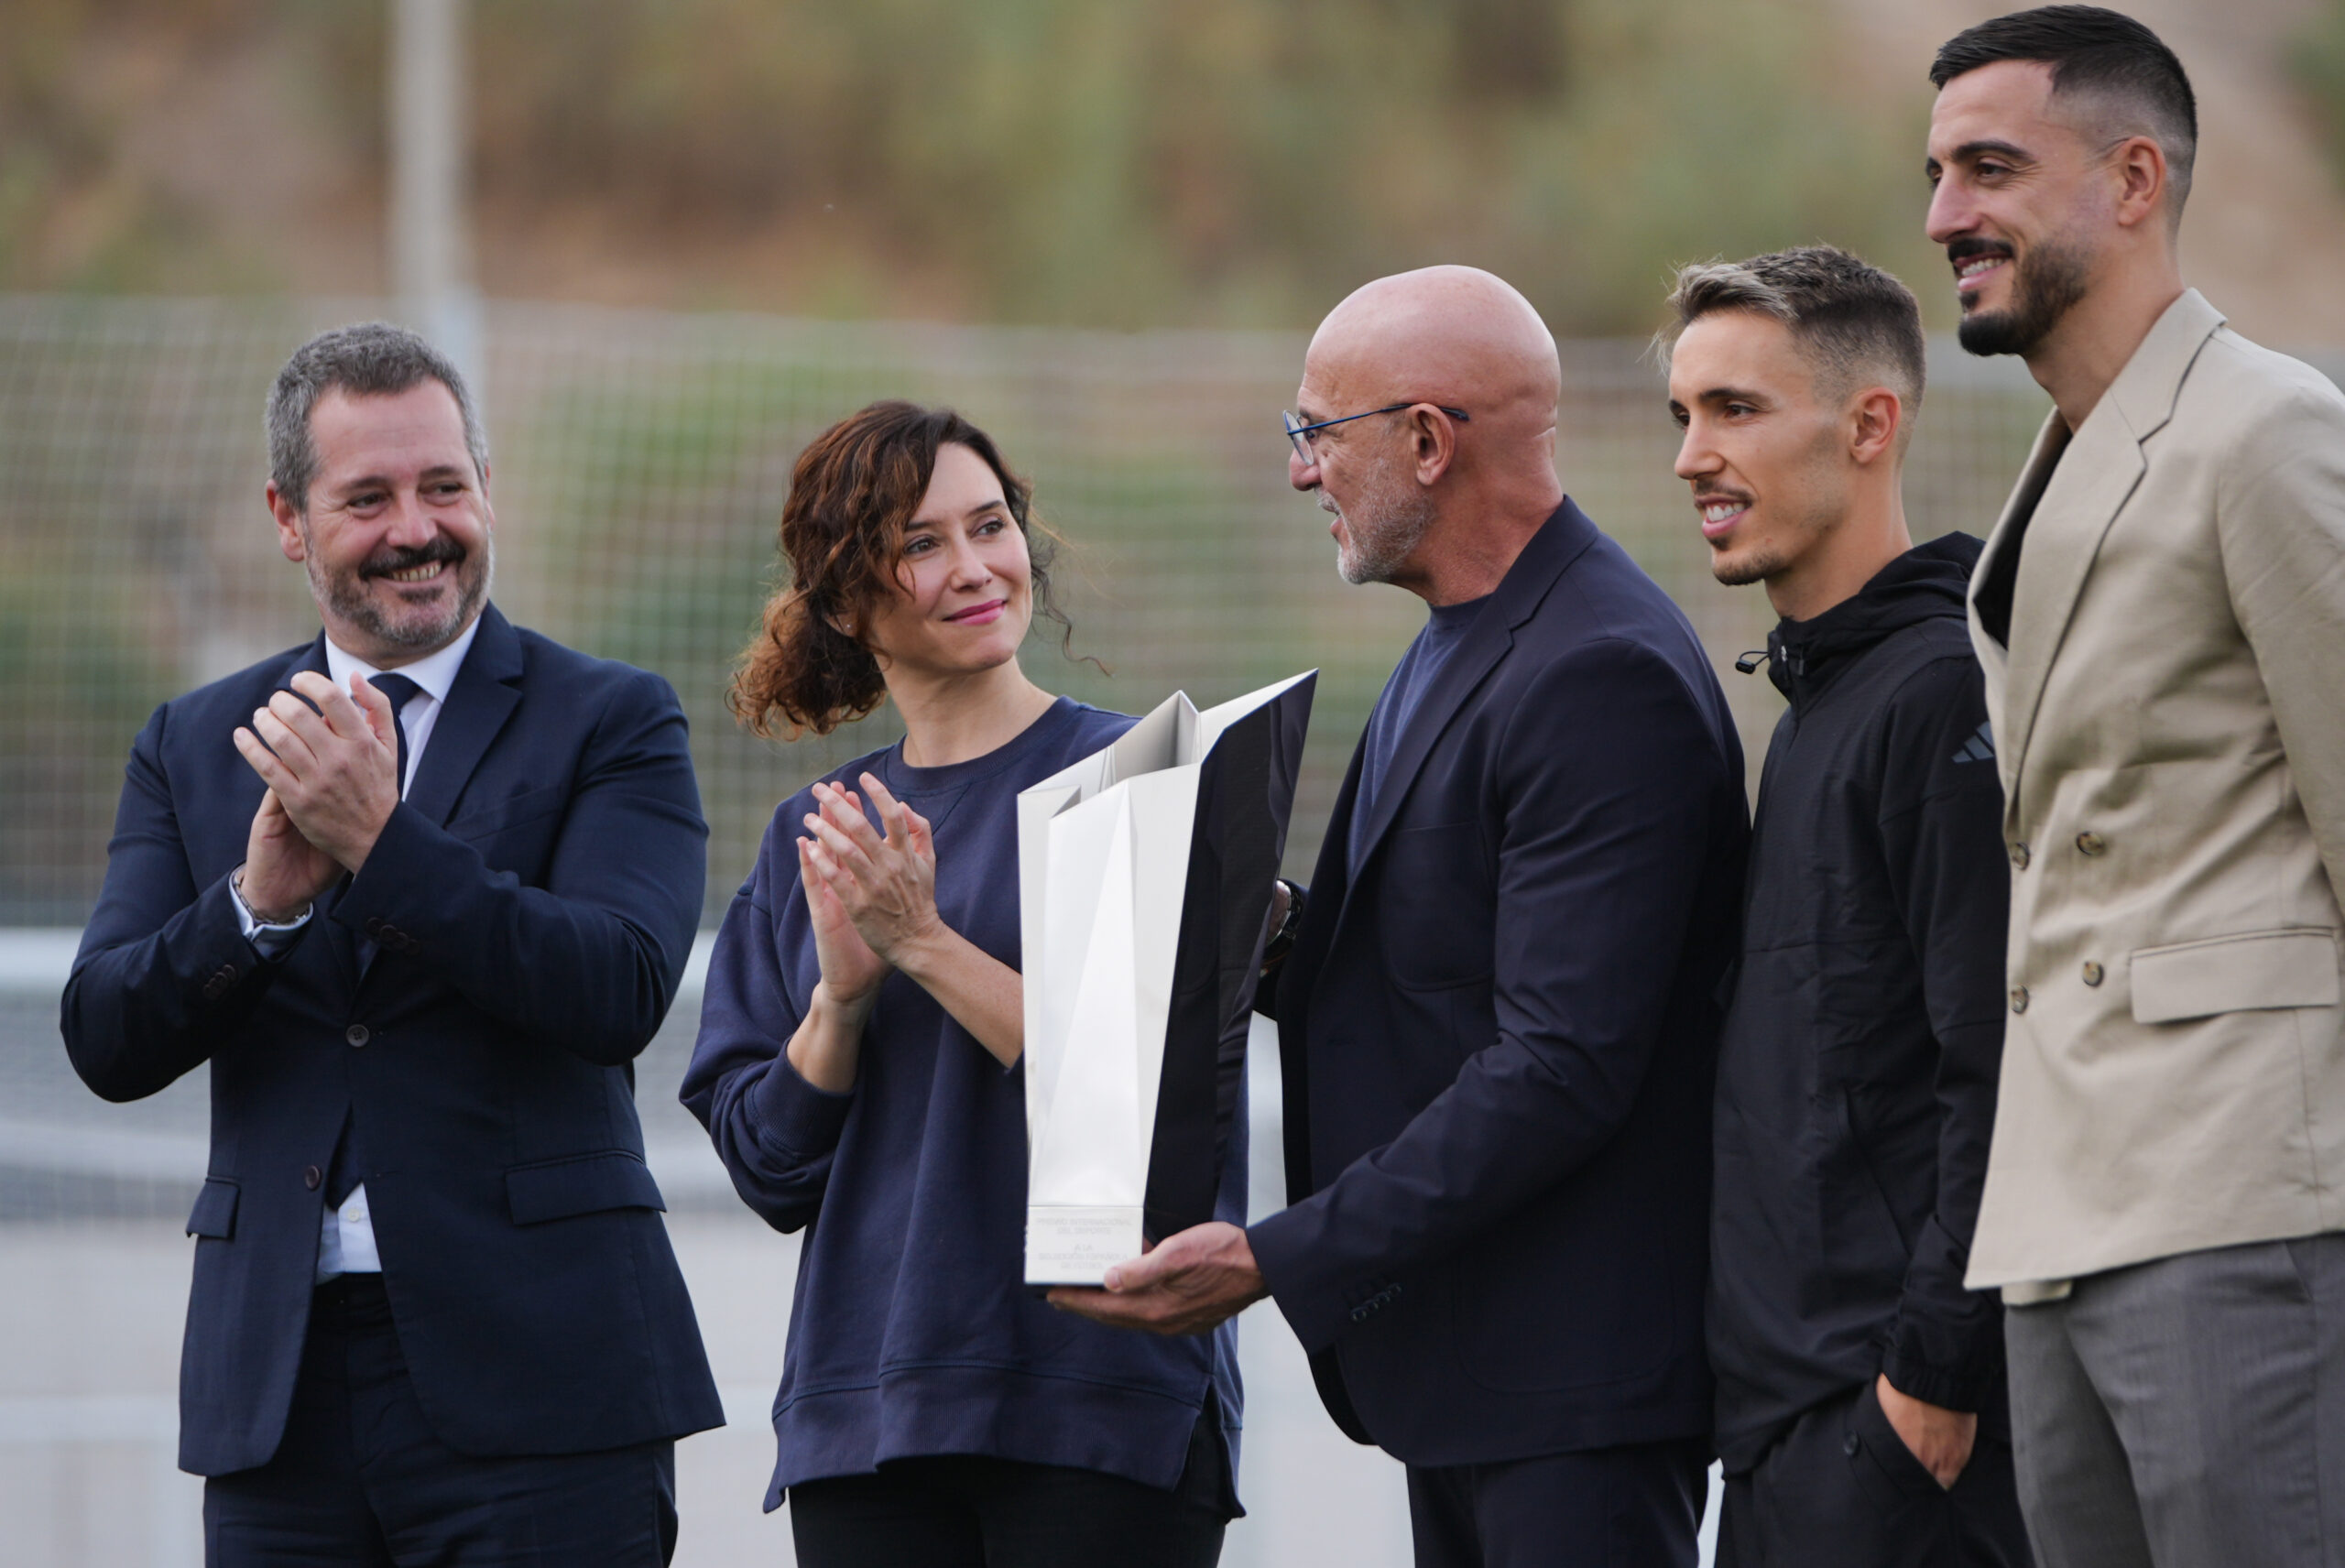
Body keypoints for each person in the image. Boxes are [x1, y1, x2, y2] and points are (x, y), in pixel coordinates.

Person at [1053, 266, 1749, 1568]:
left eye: (1317, 432)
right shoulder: (1457, 638)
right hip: (1475, 1378)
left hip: (1570, 1391)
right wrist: (1231, 918)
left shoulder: (1602, 671)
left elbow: (1559, 1067)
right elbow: (1428, 969)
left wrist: (1274, 1257)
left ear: (1427, 442)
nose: (1303, 471)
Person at [60, 321, 721, 1563]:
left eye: (445, 487)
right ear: (288, 518)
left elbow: (620, 985)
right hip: (279, 1404)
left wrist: (383, 845)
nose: (418, 529)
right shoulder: (196, 743)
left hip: (549, 1391)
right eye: (368, 498)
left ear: (485, 486)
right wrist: (255, 904)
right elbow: (104, 1033)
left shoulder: (611, 718)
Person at [1923, 8, 2345, 1564]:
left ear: (2134, 179)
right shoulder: (2060, 462)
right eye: (1937, 173)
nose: (1943, 216)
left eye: (1988, 169)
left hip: (2242, 1199)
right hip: (2059, 1218)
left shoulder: (2269, 432)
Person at [681, 401, 1241, 1568]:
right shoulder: (819, 833)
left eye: (989, 526)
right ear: (845, 599)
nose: (975, 566)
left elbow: (1137, 1094)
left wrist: (923, 940)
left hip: (1095, 1400)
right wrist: (839, 1002)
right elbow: (769, 1168)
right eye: (920, 543)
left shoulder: (1138, 778)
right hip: (866, 1409)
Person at [1662, 245, 2032, 1567]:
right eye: (1684, 415)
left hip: (1891, 1438)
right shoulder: (1820, 701)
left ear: (1871, 424)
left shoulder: (1938, 693)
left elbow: (2001, 1059)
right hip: (1784, 1431)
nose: (1695, 454)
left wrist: (1929, 1380)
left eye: (1737, 410)